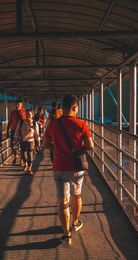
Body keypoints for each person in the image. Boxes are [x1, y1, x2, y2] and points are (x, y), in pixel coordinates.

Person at [44, 95, 94, 245]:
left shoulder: (53, 125)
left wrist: (58, 148)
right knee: (76, 195)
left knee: (62, 201)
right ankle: (75, 222)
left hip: (59, 167)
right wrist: (78, 151)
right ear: (74, 108)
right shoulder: (81, 124)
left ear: (63, 108)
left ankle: (66, 235)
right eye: (77, 108)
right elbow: (90, 146)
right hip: (76, 167)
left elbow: (46, 145)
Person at [14, 110, 39, 175]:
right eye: (27, 114)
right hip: (22, 140)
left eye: (29, 114)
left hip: (31, 140)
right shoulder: (21, 122)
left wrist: (37, 141)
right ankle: (25, 164)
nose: (28, 115)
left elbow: (36, 133)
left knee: (30, 154)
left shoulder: (34, 123)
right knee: (23, 153)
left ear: (32, 116)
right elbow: (17, 130)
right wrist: (15, 139)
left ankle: (29, 168)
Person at [7, 100, 27, 165]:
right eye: (16, 104)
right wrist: (7, 131)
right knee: (12, 146)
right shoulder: (12, 112)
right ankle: (16, 156)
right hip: (13, 131)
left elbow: (28, 121)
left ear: (21, 105)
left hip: (22, 131)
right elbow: (9, 122)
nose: (17, 105)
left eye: (18, 104)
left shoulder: (25, 112)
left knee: (22, 146)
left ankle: (21, 160)